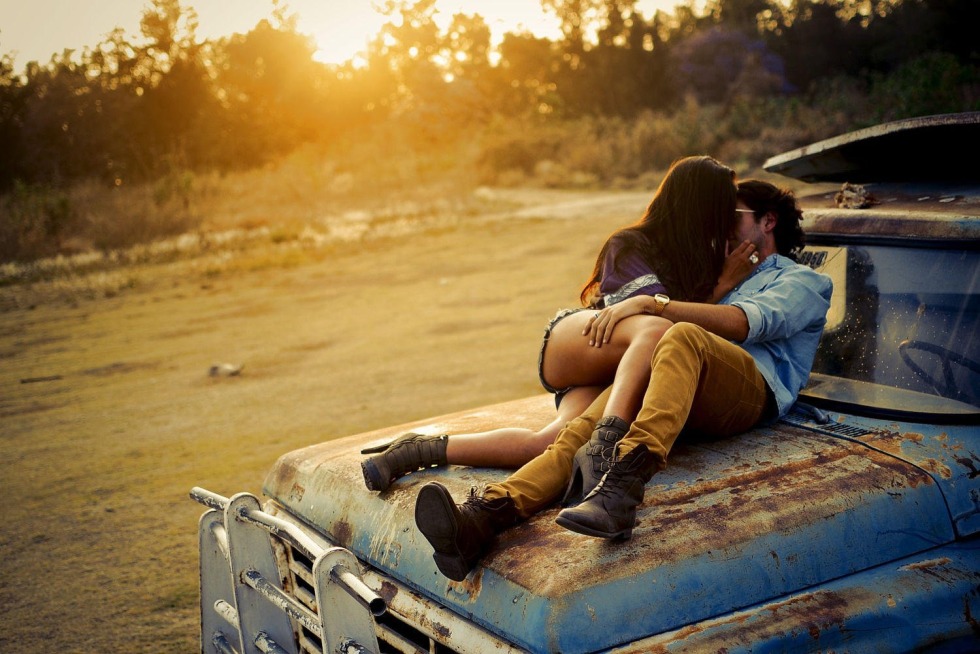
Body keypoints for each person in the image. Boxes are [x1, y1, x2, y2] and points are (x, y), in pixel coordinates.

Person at [413, 179, 834, 581]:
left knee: (682, 335)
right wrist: (717, 283)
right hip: (686, 381)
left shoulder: (802, 280)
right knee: (584, 433)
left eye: (732, 215)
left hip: (752, 392)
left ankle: (621, 491)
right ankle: (485, 517)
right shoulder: (724, 278)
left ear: (768, 221)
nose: (720, 226)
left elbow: (744, 324)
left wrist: (655, 304)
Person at [361, 156, 758, 492]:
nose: (728, 221)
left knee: (550, 444)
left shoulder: (701, 257)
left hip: (624, 371)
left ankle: (417, 451)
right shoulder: (632, 243)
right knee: (657, 331)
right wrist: (724, 284)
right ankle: (606, 445)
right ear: (699, 208)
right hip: (584, 342)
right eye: (724, 209)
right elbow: (648, 316)